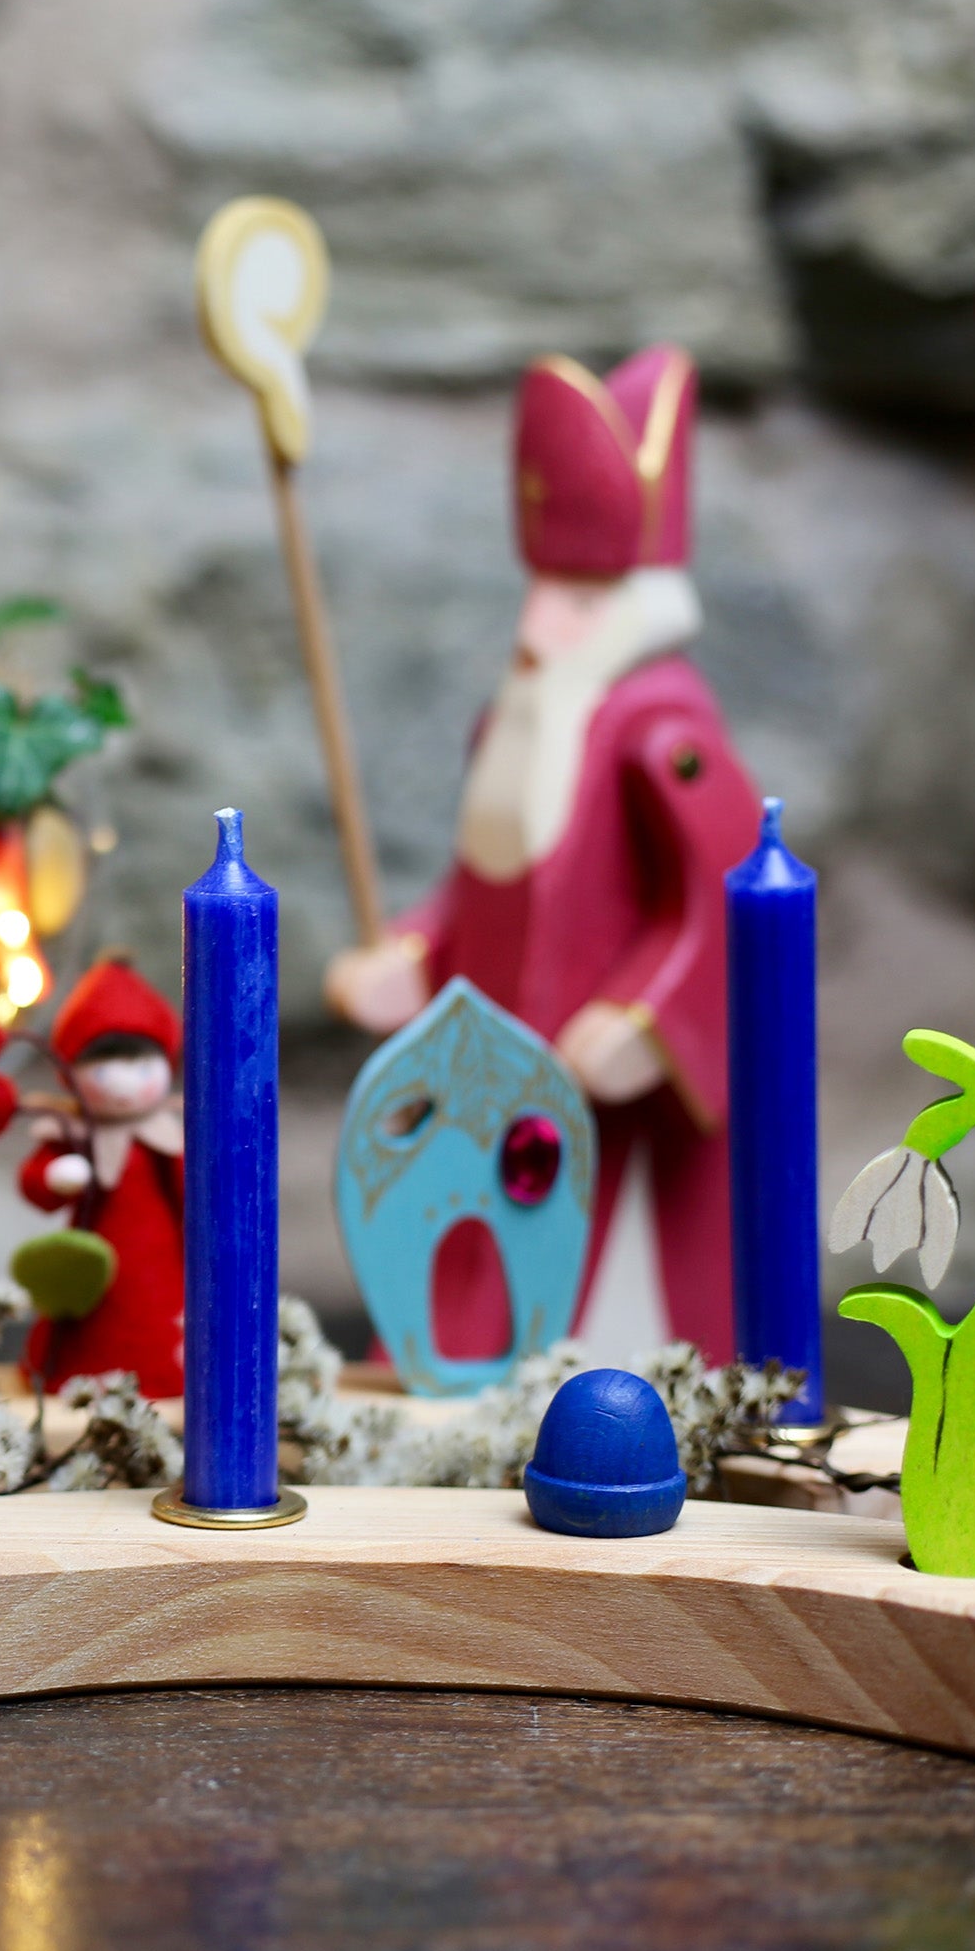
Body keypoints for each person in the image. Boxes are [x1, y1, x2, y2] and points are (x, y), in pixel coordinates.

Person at [325, 346, 758, 1363]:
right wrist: (415, 950)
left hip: (604, 1106)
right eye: (540, 582)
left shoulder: (667, 736)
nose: (535, 620)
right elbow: (488, 890)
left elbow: (727, 904)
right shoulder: (514, 722)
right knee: (474, 1254)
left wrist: (645, 1017)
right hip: (496, 1082)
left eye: (573, 593)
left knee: (594, 1301)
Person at [19, 958, 186, 1394]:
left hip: (161, 1269)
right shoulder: (73, 1131)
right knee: (89, 1329)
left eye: (143, 1066)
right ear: (70, 1072)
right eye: (107, 1069)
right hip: (93, 1268)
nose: (128, 1085)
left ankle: (167, 1376)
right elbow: (34, 1182)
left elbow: (192, 1191)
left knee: (164, 1327)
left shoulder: (170, 1133)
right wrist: (56, 1175)